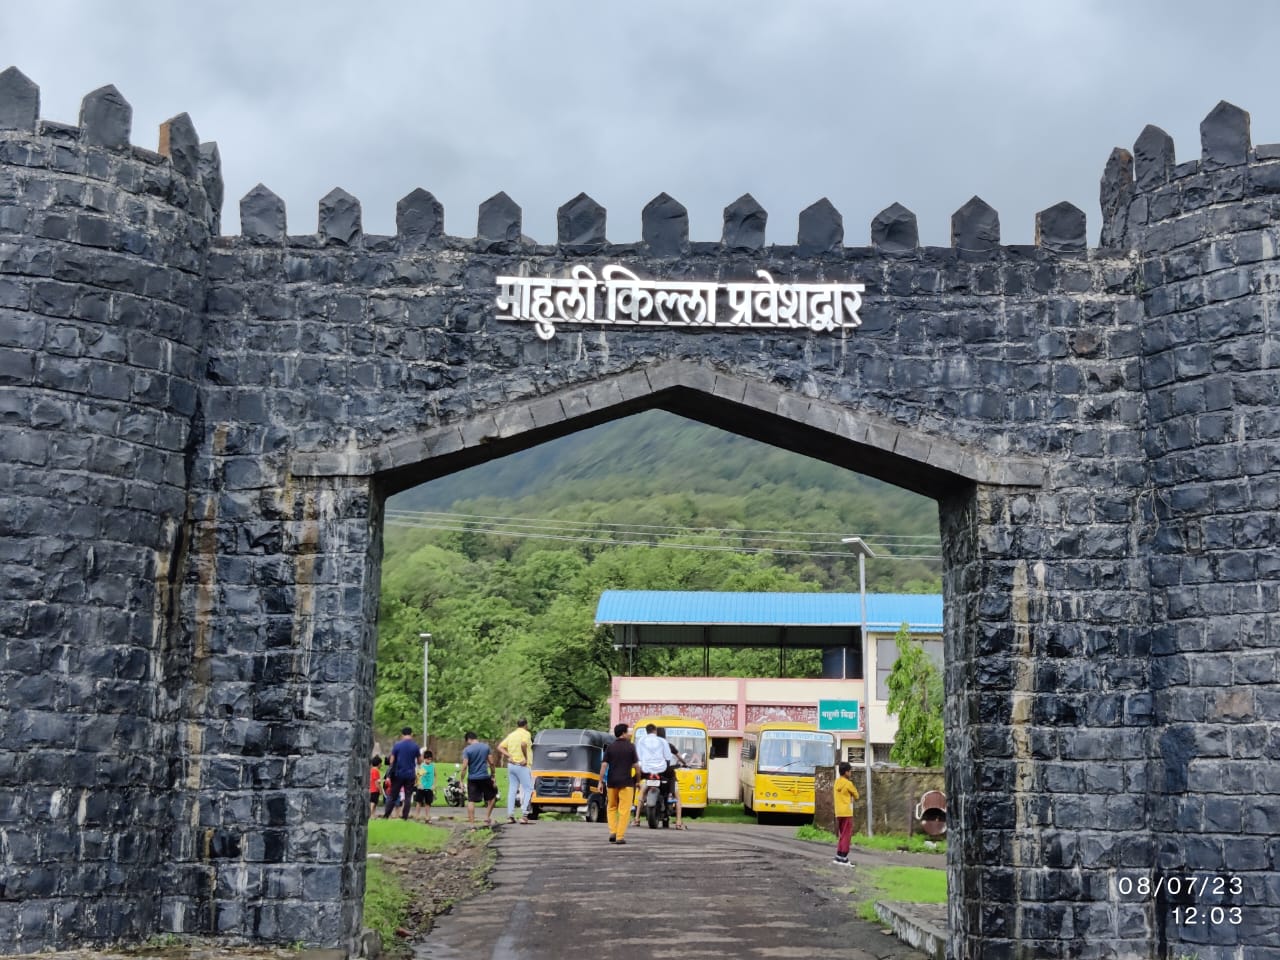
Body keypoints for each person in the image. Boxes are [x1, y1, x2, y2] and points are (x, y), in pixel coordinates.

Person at [598, 722, 639, 844]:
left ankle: (613, 832)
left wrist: (600, 782)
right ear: (623, 733)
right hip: (626, 782)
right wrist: (638, 780)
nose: (629, 734)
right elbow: (637, 767)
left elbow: (604, 765)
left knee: (611, 807)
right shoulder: (631, 747)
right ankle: (620, 836)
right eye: (627, 732)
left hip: (611, 782)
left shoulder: (610, 747)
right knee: (624, 810)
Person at [632, 723, 670, 826]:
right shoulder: (662, 742)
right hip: (660, 772)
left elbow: (638, 757)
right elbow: (668, 757)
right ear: (655, 731)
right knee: (669, 790)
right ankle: (669, 813)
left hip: (646, 771)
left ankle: (636, 818)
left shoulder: (641, 741)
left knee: (641, 791)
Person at [498, 718, 534, 824]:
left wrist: (509, 756)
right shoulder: (526, 734)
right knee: (528, 789)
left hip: (512, 765)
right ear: (526, 725)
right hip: (522, 765)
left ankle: (510, 815)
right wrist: (525, 758)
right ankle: (524, 814)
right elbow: (523, 744)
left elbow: (500, 747)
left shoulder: (512, 735)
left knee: (512, 789)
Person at [382, 727, 422, 821]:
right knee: (408, 796)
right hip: (410, 774)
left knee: (393, 795)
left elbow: (391, 761)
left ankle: (386, 815)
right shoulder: (415, 746)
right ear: (411, 734)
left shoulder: (397, 745)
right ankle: (404, 817)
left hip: (398, 774)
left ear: (402, 735)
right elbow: (419, 761)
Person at [461, 731, 498, 827]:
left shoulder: (467, 750)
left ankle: (472, 825)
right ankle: (487, 817)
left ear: (468, 739)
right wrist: (493, 775)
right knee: (492, 797)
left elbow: (464, 766)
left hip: (472, 778)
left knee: (471, 801)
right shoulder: (486, 747)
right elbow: (491, 763)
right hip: (484, 776)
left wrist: (461, 780)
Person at [655, 725, 686, 830]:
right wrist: (685, 763)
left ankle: (636, 818)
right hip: (667, 773)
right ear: (664, 735)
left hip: (654, 773)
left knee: (643, 791)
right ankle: (678, 822)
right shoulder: (669, 746)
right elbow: (679, 757)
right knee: (677, 797)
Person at [833, 761, 860, 865]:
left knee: (842, 834)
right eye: (850, 771)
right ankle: (844, 857)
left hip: (838, 812)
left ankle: (838, 856)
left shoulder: (836, 782)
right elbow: (857, 795)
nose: (851, 773)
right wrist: (851, 796)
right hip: (847, 812)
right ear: (846, 772)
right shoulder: (848, 784)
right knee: (846, 835)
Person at [414, 750, 436, 823]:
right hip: (422, 788)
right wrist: (418, 784)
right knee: (419, 802)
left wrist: (434, 785)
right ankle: (417, 816)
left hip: (429, 788)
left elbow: (435, 775)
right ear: (424, 758)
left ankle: (427, 817)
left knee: (428, 803)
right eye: (427, 759)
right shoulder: (422, 766)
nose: (429, 761)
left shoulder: (432, 766)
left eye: (430, 759)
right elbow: (418, 776)